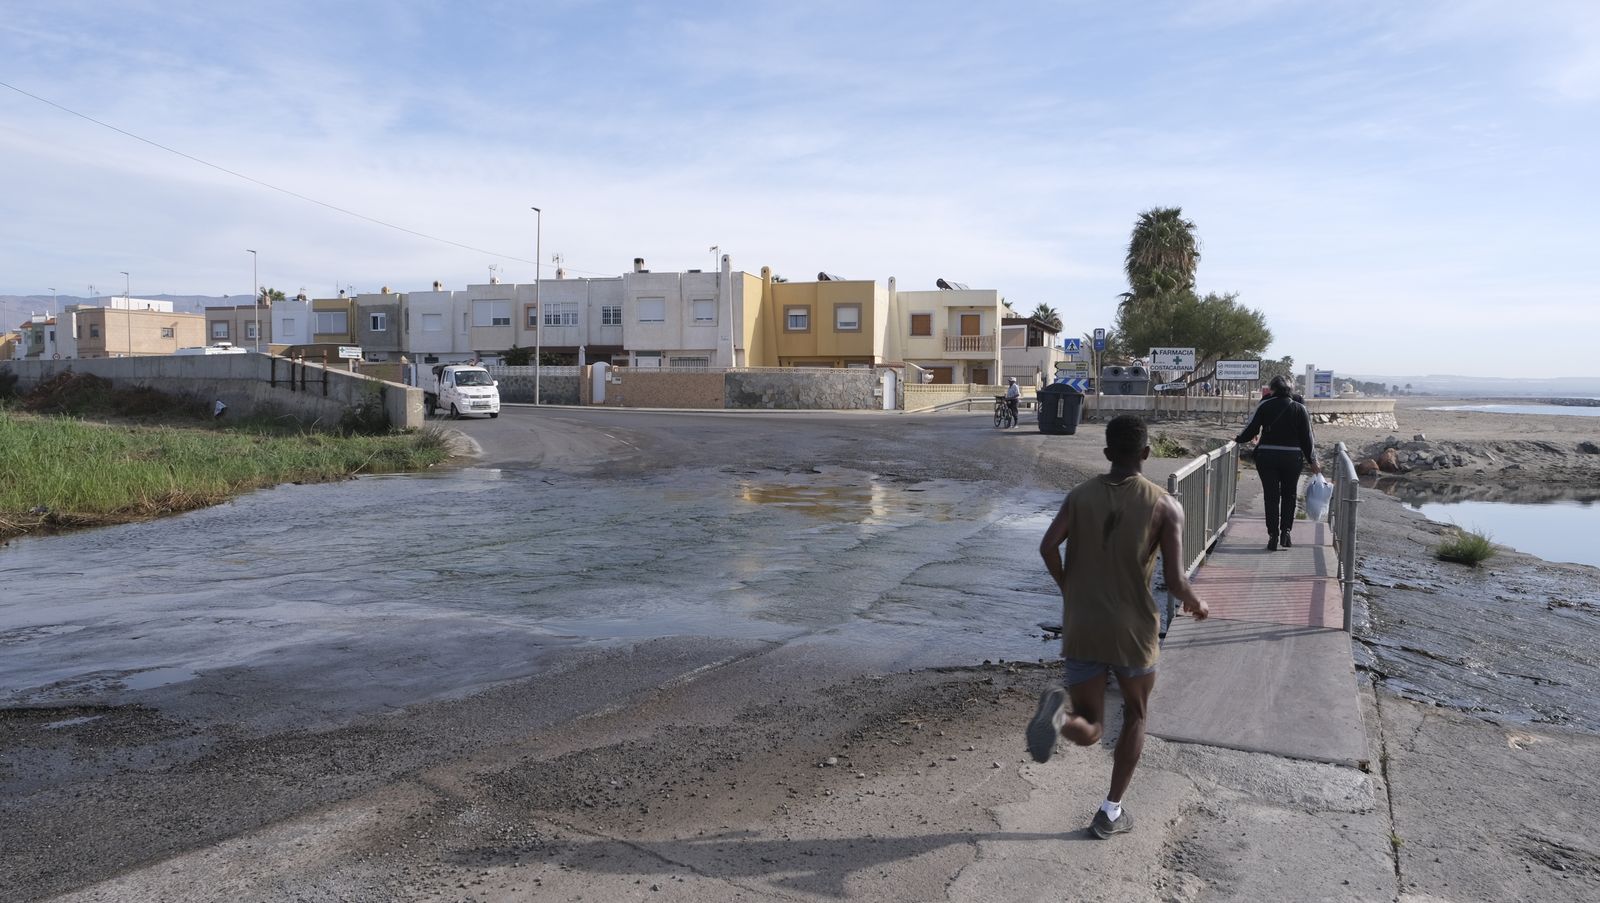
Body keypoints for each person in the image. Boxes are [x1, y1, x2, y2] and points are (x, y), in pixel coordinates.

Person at [1030, 415, 1211, 839]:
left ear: (1108, 452)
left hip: (1083, 623)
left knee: (1091, 726)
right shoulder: (1165, 505)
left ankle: (1061, 720)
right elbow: (1176, 580)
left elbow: (1047, 546)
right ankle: (1110, 811)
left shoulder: (1079, 496)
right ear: (1146, 453)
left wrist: (1068, 587)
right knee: (1135, 714)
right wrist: (1196, 601)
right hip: (1133, 628)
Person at [1236, 374, 1320, 551]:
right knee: (1289, 495)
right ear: (1290, 390)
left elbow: (1251, 429)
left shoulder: (1265, 405)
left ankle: (1273, 535)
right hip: (1292, 458)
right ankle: (1286, 533)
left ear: (1272, 389)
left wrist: (1238, 439)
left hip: (1267, 456)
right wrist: (1313, 460)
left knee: (1271, 497)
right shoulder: (1299, 408)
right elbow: (1308, 438)